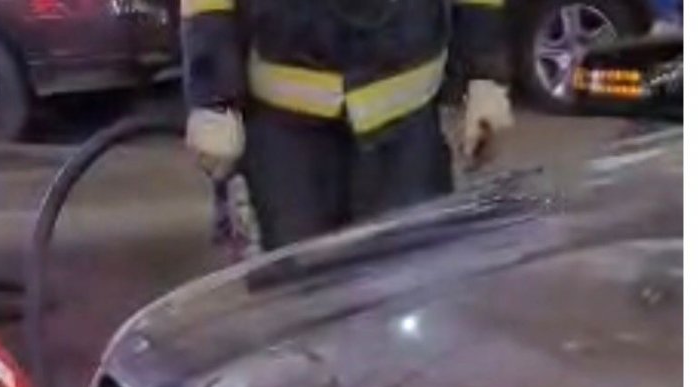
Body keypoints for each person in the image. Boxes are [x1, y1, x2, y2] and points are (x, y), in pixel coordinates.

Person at [182, 0, 514, 251]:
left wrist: (484, 75)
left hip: (407, 136)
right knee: (298, 301)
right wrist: (213, 98)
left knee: (410, 291)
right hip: (288, 140)